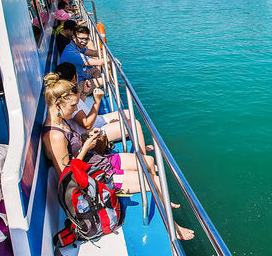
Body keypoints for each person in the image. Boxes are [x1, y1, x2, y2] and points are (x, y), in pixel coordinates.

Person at [41, 74, 194, 240]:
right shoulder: (54, 137)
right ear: (58, 104)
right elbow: (67, 177)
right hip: (98, 176)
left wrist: (85, 137)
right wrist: (85, 147)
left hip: (99, 162)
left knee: (148, 161)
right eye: (73, 105)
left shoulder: (62, 121)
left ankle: (161, 197)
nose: (75, 108)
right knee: (155, 181)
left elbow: (74, 149)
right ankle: (175, 229)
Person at [54, 62, 149, 153]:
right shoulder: (68, 100)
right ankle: (143, 159)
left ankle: (140, 145)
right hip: (93, 130)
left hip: (97, 121)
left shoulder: (67, 95)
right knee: (135, 124)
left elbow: (79, 107)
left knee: (128, 113)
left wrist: (85, 92)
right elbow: (87, 124)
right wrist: (97, 101)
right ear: (75, 78)